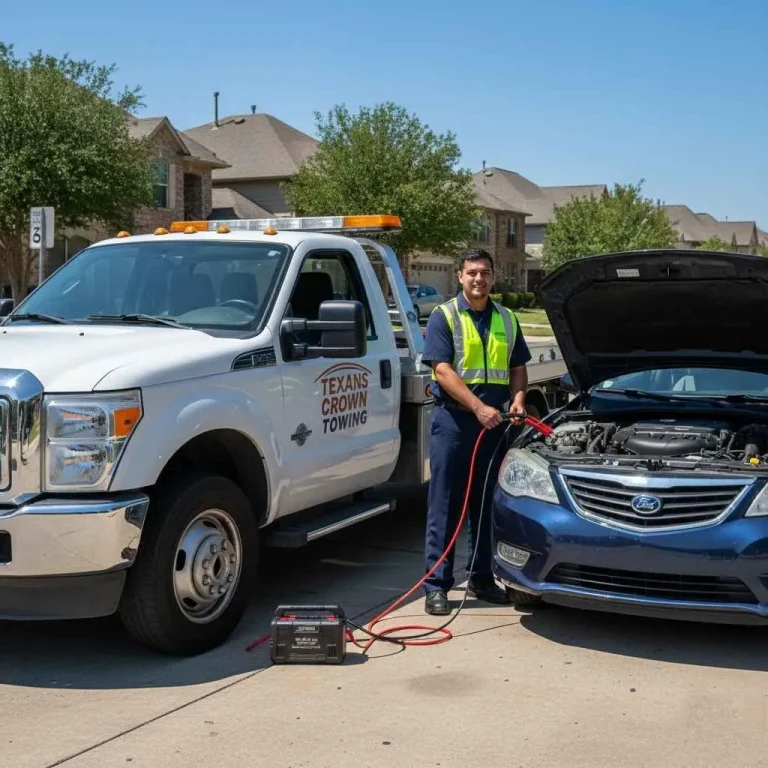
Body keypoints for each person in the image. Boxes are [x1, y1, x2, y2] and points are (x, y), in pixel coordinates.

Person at [420, 249, 531, 615]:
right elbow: (442, 371)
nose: (478, 279)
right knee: (446, 504)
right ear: (460, 277)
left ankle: (482, 578)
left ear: (493, 277)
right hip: (454, 422)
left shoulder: (507, 319)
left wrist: (517, 400)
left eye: (484, 272)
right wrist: (477, 407)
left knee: (486, 505)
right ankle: (437, 585)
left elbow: (517, 367)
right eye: (472, 273)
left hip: (494, 425)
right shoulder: (444, 316)